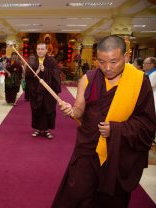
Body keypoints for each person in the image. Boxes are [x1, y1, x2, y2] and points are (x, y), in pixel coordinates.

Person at [54, 35, 156, 207]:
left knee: (110, 201)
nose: (107, 68)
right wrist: (71, 111)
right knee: (77, 193)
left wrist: (116, 130)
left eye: (114, 62)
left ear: (126, 56)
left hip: (118, 153)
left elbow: (147, 124)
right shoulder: (89, 78)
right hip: (88, 148)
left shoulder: (139, 82)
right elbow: (79, 110)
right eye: (101, 62)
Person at [25, 43, 61, 139]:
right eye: (38, 49)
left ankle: (46, 130)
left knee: (47, 110)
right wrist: (36, 72)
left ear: (46, 50)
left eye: (42, 49)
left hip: (47, 91)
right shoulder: (32, 60)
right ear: (36, 50)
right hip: (36, 91)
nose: (40, 51)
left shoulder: (52, 61)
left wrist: (45, 70)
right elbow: (27, 75)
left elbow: (56, 74)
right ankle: (37, 129)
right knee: (37, 110)